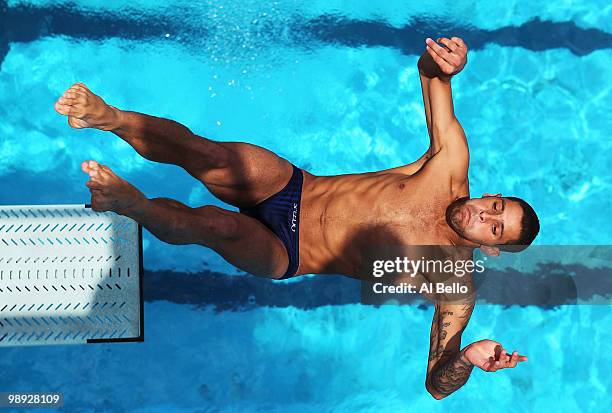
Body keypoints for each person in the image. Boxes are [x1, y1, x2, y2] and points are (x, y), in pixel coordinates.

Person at [54, 36, 537, 399]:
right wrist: (445, 64)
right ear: (492, 194)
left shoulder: (453, 282)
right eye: (496, 206)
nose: (483, 215)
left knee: (216, 226)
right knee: (208, 153)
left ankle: (131, 205)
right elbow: (431, 76)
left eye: (494, 228)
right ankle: (108, 117)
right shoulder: (450, 163)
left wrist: (468, 360)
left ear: (491, 247)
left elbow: (436, 383)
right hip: (294, 187)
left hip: (289, 252)